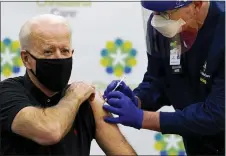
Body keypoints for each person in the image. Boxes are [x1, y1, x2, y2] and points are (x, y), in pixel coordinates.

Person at [0, 14, 137, 156]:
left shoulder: (88, 103)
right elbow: (49, 131)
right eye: (48, 52)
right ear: (26, 59)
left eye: (64, 51)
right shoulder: (6, 93)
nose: (59, 57)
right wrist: (75, 96)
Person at [103, 1, 225, 155]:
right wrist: (138, 99)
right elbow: (159, 80)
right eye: (153, 12)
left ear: (197, 4)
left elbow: (217, 115)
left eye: (165, 13)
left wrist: (143, 118)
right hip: (197, 144)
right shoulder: (163, 26)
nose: (156, 20)